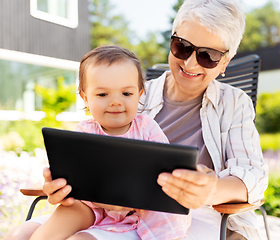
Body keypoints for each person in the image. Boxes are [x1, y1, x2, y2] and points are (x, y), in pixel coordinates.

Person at [5, 0, 268, 239]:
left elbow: (254, 174)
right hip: (102, 207)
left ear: (225, 62)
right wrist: (66, 183)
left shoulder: (234, 103)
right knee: (21, 234)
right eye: (182, 47)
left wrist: (211, 190)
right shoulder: (131, 92)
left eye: (208, 56)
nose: (189, 63)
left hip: (183, 214)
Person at [8, 45, 191, 240]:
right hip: (89, 207)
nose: (115, 102)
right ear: (85, 98)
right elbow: (73, 180)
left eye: (126, 94)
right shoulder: (84, 132)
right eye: (103, 94)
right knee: (18, 235)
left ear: (139, 95)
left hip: (136, 215)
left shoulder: (147, 128)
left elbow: (166, 178)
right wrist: (59, 184)